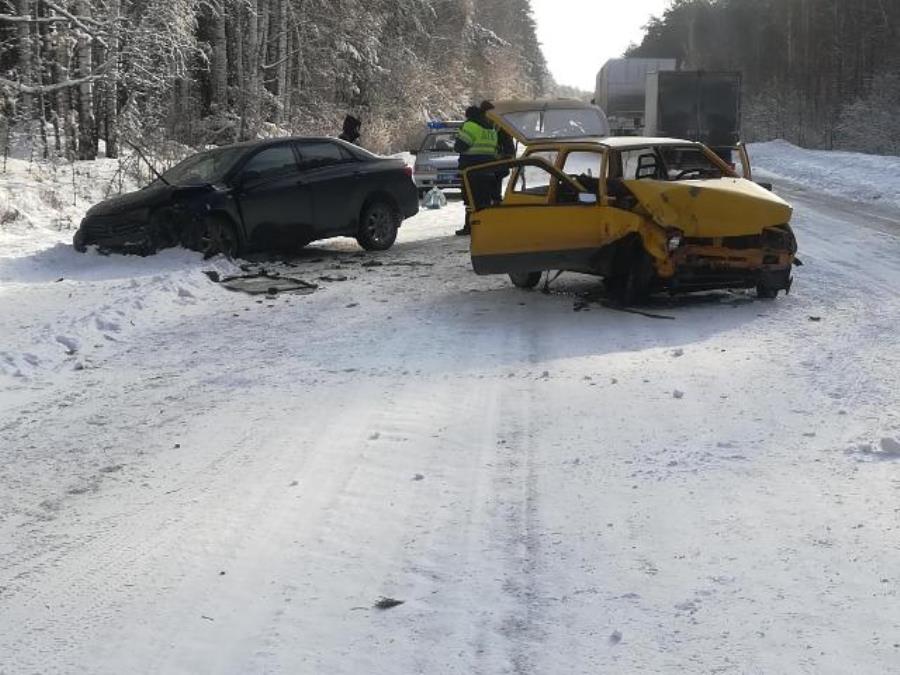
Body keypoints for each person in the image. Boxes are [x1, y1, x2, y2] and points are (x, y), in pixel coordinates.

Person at [454, 105, 500, 236]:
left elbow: (460, 147)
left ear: (469, 116)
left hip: (471, 170)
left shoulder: (470, 126)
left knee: (470, 200)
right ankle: (486, 225)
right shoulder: (491, 128)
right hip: (489, 169)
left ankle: (470, 226)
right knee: (484, 200)